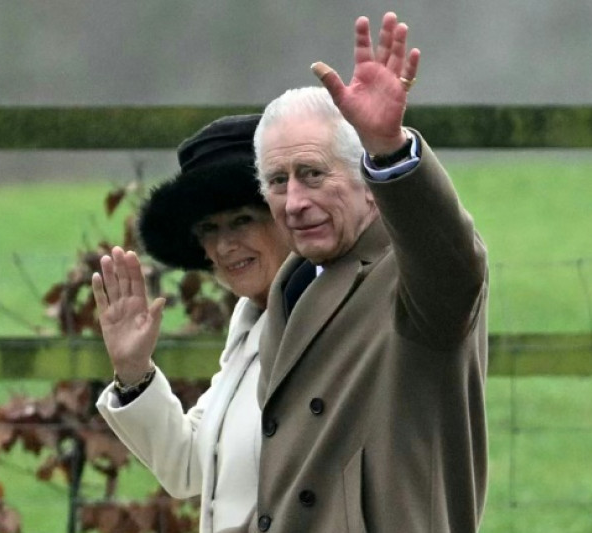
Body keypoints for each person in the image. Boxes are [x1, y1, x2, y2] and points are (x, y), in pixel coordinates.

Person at [241, 12, 489, 532]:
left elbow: (453, 264)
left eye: (312, 174)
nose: (294, 202)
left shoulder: (411, 274)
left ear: (367, 182)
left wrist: (389, 150)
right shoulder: (292, 282)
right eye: (277, 181)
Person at [92, 114, 291, 533]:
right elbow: (189, 466)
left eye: (242, 220)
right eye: (208, 229)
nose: (224, 245)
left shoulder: (337, 313)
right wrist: (134, 371)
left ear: (286, 215)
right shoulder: (251, 320)